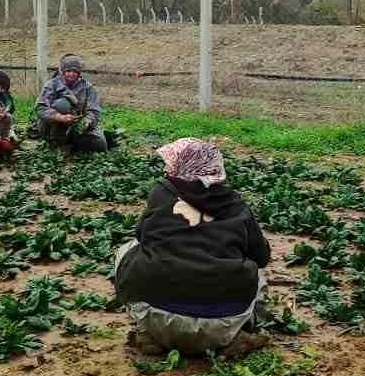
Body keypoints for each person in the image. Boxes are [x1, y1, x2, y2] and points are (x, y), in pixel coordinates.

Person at [112, 138, 271, 355]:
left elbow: (141, 235)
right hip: (223, 323)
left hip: (157, 317)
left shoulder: (161, 193)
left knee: (127, 250)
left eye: (170, 163)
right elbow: (261, 257)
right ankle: (233, 336)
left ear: (181, 166)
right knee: (255, 272)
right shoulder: (237, 205)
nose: (166, 168)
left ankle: (149, 333)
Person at [35, 54, 107, 153]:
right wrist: (60, 117)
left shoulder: (87, 87)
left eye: (75, 72)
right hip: (52, 127)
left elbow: (94, 110)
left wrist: (86, 122)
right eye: (68, 71)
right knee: (63, 104)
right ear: (62, 72)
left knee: (100, 145)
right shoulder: (52, 84)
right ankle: (56, 142)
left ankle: (72, 144)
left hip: (76, 126)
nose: (72, 74)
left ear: (79, 73)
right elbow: (40, 108)